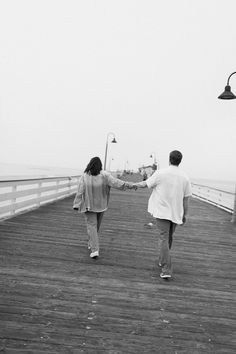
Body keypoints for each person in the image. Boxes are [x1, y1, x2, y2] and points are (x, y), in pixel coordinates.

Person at [133, 150, 192, 279]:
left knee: (164, 238)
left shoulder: (160, 173)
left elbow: (145, 184)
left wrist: (132, 185)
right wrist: (185, 214)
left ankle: (166, 269)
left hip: (162, 211)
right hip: (176, 212)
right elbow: (186, 199)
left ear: (169, 159)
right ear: (180, 161)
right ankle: (162, 260)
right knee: (168, 237)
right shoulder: (185, 177)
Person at [73, 157, 134, 258]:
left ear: (90, 164)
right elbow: (116, 183)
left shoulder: (85, 176)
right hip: (101, 205)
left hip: (89, 206)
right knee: (95, 227)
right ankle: (92, 245)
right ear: (100, 165)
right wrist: (130, 185)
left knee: (92, 226)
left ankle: (94, 249)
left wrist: (76, 204)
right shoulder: (105, 175)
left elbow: (80, 190)